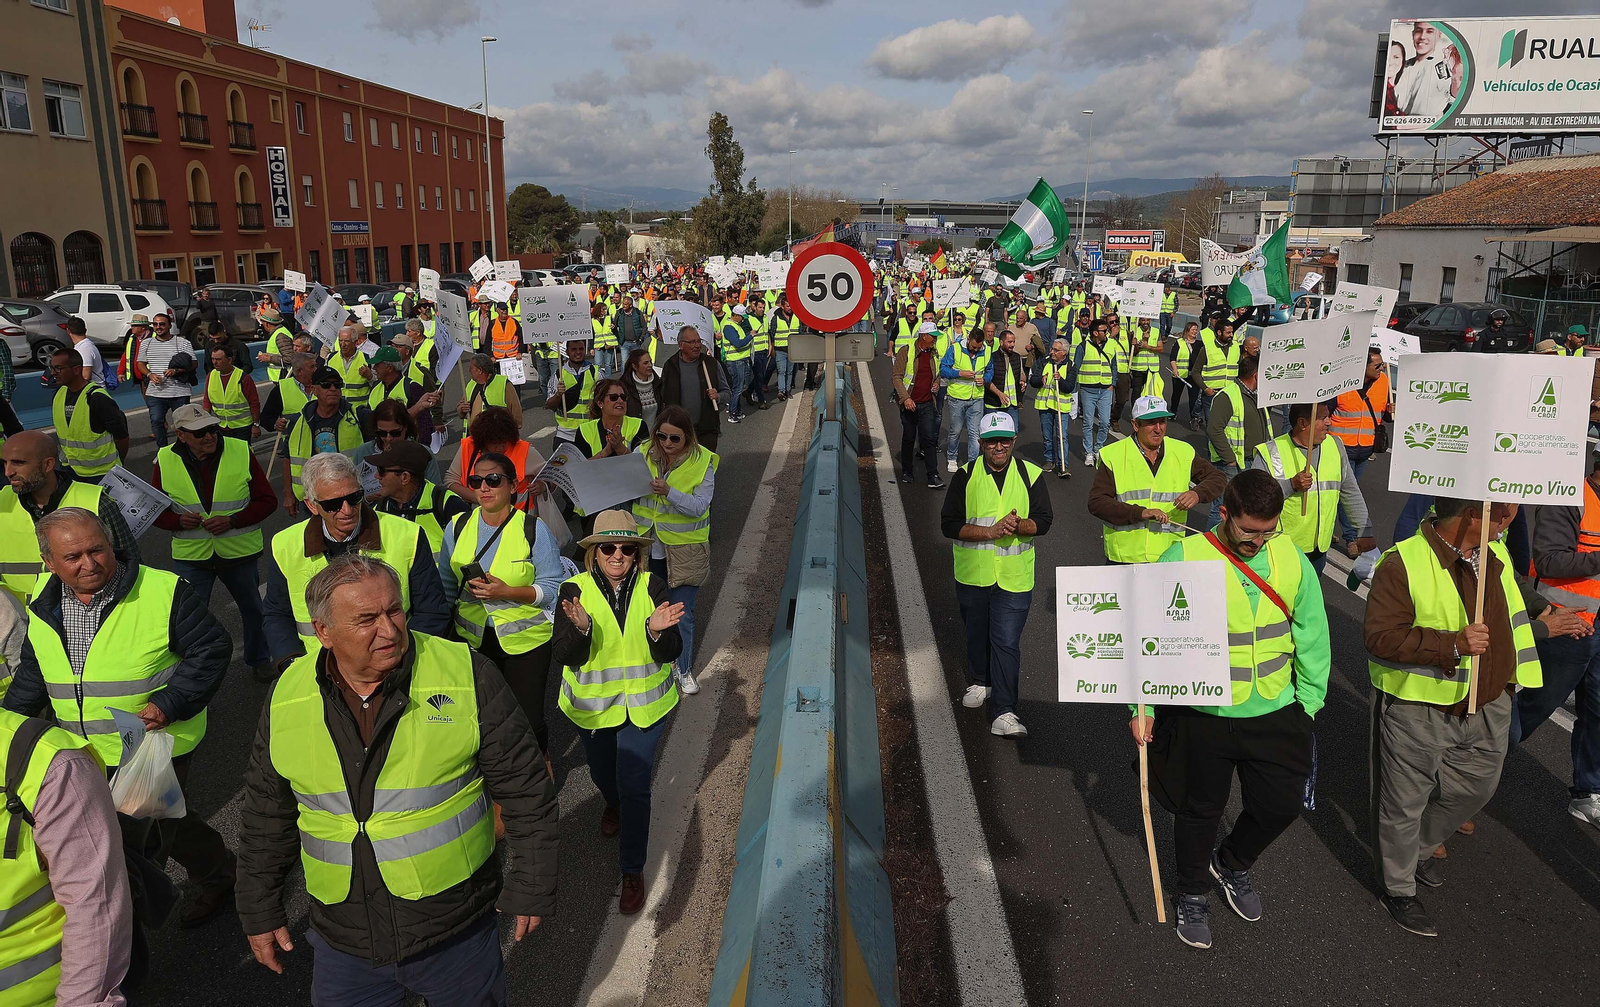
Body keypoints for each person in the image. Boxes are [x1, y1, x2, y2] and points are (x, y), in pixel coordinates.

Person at [237, 556, 557, 1001]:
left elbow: (526, 789)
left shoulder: (467, 673)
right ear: (324, 632)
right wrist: (258, 908)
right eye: (366, 619)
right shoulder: (287, 695)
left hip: (454, 933)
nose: (389, 631)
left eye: (394, 611)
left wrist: (533, 883)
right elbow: (265, 814)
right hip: (343, 943)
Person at [3, 508, 237, 927]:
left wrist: (172, 702)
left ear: (112, 545)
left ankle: (121, 943)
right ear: (49, 563)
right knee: (172, 823)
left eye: (97, 550)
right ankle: (221, 874)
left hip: (149, 746)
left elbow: (212, 648)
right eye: (73, 557)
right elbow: (33, 673)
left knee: (131, 851)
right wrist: (7, 727)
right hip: (81, 750)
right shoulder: (42, 601)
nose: (89, 564)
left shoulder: (163, 591)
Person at [1134, 469, 1330, 950]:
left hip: (1277, 709)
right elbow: (1148, 636)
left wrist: (1309, 703)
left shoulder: (1290, 557)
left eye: (1268, 531)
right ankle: (1193, 893)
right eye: (1248, 530)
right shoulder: (1184, 555)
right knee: (1200, 809)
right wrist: (1145, 707)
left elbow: (1312, 632)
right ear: (1225, 514)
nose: (1258, 541)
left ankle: (1233, 863)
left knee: (1281, 805)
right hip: (1205, 712)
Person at [1364, 497, 1542, 936]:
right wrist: (1453, 645)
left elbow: (1517, 592)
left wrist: (1545, 612)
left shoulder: (1493, 549)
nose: (1509, 523)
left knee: (1478, 784)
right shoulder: (1402, 562)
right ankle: (1399, 888)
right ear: (1471, 515)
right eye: (1501, 515)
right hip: (1420, 706)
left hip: (1489, 699)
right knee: (1402, 803)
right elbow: (1380, 637)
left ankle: (1419, 849)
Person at [552, 509, 683, 914]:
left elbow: (671, 652)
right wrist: (581, 630)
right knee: (604, 776)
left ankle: (632, 869)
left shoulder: (653, 585)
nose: (617, 555)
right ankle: (612, 801)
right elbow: (564, 655)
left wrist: (657, 631)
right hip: (594, 711)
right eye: (608, 547)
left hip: (644, 711)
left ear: (636, 553)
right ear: (594, 552)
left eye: (627, 548)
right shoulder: (572, 591)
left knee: (635, 787)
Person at [262, 452, 451, 670]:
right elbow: (277, 615)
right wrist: (291, 663)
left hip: (394, 667)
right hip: (319, 672)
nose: (347, 510)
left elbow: (432, 612)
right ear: (312, 506)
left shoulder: (408, 535)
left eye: (354, 498)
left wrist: (403, 662)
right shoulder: (285, 545)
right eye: (333, 504)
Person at [0, 705, 134, 1006]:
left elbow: (95, 906)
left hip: (139, 736)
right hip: (89, 739)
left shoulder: (45, 763)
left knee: (164, 826)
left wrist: (171, 703)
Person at [439, 451, 563, 766]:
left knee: (527, 718)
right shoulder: (456, 527)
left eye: (493, 479)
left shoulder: (533, 530)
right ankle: (500, 781)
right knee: (486, 717)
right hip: (474, 642)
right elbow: (445, 585)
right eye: (476, 480)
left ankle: (537, 768)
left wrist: (507, 591)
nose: (484, 487)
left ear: (512, 486)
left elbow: (552, 589)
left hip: (527, 643)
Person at [943, 412, 1052, 738]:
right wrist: (990, 532)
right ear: (981, 443)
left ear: (1014, 440)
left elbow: (1044, 521)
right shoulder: (965, 476)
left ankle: (1004, 711)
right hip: (973, 574)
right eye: (992, 441)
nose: (999, 446)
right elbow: (948, 524)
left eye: (1005, 440)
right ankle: (980, 681)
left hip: (1014, 578)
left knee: (1006, 642)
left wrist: (1021, 526)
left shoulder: (1030, 474)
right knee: (977, 633)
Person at [151, 404, 278, 682]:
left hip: (238, 553)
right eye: (200, 433)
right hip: (192, 556)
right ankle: (191, 671)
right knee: (187, 619)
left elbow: (268, 501)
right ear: (181, 435)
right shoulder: (164, 459)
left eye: (212, 429)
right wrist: (177, 522)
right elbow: (153, 511)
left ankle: (259, 659)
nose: (209, 436)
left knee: (253, 609)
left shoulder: (240, 450)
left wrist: (232, 521)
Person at [1521, 459, 1600, 830]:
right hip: (1567, 625)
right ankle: (1467, 774)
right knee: (1536, 705)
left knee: (1598, 714)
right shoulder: (1570, 498)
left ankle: (1587, 793)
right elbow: (1548, 560)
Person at [632, 406, 716, 697]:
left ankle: (683, 669)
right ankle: (654, 664)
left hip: (684, 551)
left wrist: (669, 492)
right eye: (661, 436)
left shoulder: (702, 460)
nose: (666, 444)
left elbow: (699, 506)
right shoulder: (642, 453)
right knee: (646, 610)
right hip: (644, 549)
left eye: (674, 439)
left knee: (682, 614)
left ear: (688, 439)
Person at [0, 430, 140, 603]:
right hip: (18, 622)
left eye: (18, 463)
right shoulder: (2, 504)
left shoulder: (98, 503)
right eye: (4, 463)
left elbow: (133, 566)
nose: (8, 472)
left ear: (48, 464)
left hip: (89, 618)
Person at [1090, 396, 1225, 564]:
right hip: (1125, 558)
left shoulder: (1182, 452)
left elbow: (1218, 478)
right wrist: (1141, 512)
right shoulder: (1113, 455)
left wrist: (1197, 494)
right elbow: (1097, 503)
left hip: (1169, 556)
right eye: (1151, 422)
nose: (1158, 429)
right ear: (1135, 424)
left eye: (1162, 422)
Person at [1250, 400, 1375, 572]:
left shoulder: (1335, 445)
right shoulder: (1271, 452)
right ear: (1302, 423)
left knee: (1310, 597)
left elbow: (1350, 492)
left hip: (1318, 550)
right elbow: (1254, 500)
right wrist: (1290, 485)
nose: (1329, 422)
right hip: (1281, 550)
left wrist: (1364, 531)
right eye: (1323, 418)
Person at [283, 366, 373, 515]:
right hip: (313, 497)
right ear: (314, 389)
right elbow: (288, 459)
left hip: (350, 494)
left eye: (337, 385)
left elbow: (388, 422)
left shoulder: (358, 415)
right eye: (326, 385)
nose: (333, 388)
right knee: (316, 537)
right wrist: (288, 494)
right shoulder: (298, 421)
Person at [1331, 348, 1391, 551]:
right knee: (1347, 493)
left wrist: (1391, 413)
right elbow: (1325, 412)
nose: (1381, 368)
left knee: (1344, 493)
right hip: (1341, 448)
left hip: (1365, 448)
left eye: (1382, 364)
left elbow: (1382, 411)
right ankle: (1350, 538)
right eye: (1377, 365)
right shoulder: (1342, 383)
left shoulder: (1384, 381)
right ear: (1362, 367)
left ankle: (1328, 528)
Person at [372, 438, 470, 556]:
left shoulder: (448, 504)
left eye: (381, 471)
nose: (376, 476)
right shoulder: (380, 508)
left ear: (404, 478)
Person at [1206, 351, 1268, 526]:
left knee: (1243, 507)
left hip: (1252, 461)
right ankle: (1211, 544)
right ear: (1256, 375)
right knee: (1222, 507)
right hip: (1232, 463)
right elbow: (1214, 429)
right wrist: (1230, 460)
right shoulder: (1227, 396)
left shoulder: (1256, 395)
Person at [49, 349, 128, 483]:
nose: (52, 373)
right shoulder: (59, 394)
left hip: (101, 474)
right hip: (69, 469)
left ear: (76, 370)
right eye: (52, 368)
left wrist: (118, 465)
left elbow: (122, 438)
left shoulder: (97, 398)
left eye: (58, 368)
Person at [892, 323, 945, 488]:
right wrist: (906, 398)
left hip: (928, 403)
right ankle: (907, 471)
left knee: (929, 440)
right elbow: (897, 377)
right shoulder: (906, 351)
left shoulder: (934, 354)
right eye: (933, 336)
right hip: (910, 404)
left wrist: (936, 383)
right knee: (909, 437)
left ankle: (933, 475)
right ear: (924, 336)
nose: (935, 340)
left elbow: (937, 373)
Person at [660, 327, 727, 452]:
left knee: (705, 468)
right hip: (679, 431)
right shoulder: (670, 366)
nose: (697, 345)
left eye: (699, 341)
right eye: (692, 342)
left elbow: (727, 393)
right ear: (681, 344)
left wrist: (718, 397)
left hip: (707, 430)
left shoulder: (711, 364)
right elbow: (662, 397)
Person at [136, 312, 196, 449]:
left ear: (169, 325)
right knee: (157, 421)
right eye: (155, 324)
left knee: (183, 423)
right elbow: (140, 364)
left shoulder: (182, 343)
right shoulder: (146, 343)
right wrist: (149, 374)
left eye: (162, 324)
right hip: (155, 392)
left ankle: (183, 449)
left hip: (179, 392)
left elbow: (193, 363)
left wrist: (176, 371)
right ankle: (162, 450)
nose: (158, 327)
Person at [941, 322, 993, 473]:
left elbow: (990, 371)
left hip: (976, 397)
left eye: (979, 347)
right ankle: (952, 457)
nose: (976, 350)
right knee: (955, 430)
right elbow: (943, 369)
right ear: (968, 339)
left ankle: (973, 463)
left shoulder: (987, 351)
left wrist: (985, 380)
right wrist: (959, 373)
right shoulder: (955, 349)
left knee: (975, 433)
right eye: (974, 347)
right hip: (957, 397)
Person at [1076, 319, 1123, 467]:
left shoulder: (1111, 344)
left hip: (1105, 390)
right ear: (1096, 333)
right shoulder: (1083, 346)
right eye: (1104, 331)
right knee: (1088, 423)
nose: (1107, 333)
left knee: (1104, 422)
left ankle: (1099, 447)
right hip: (1087, 390)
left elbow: (1114, 366)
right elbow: (1075, 367)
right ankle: (1089, 451)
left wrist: (1112, 384)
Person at [1032, 337, 1075, 477]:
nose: (1052, 352)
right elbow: (1033, 379)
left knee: (1062, 437)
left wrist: (1060, 381)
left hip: (1061, 406)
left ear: (1064, 352)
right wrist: (1040, 379)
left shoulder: (1070, 365)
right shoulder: (1044, 361)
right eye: (1052, 349)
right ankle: (1049, 460)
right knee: (1047, 435)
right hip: (1045, 405)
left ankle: (1063, 464)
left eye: (1056, 350)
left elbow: (1070, 387)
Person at [576, 378, 649, 461]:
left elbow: (643, 463)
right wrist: (606, 452)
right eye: (613, 397)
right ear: (600, 403)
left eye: (623, 397)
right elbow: (580, 468)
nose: (620, 400)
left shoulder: (638, 425)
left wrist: (620, 448)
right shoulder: (585, 430)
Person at [203, 344, 260, 441]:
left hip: (242, 427)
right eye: (213, 359)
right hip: (220, 426)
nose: (214, 362)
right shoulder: (211, 376)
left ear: (229, 360)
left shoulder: (243, 377)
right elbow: (207, 401)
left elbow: (254, 403)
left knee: (242, 453)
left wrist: (255, 424)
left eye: (218, 359)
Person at [545, 340, 599, 445]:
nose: (578, 352)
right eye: (574, 349)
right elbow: (549, 404)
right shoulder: (558, 375)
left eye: (581, 349)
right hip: (565, 433)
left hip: (590, 431)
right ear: (567, 352)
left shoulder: (596, 373)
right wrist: (558, 395)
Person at [259, 351, 317, 435]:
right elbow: (265, 417)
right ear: (300, 371)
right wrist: (275, 423)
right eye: (312, 367)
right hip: (294, 444)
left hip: (323, 443)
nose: (316, 369)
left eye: (316, 366)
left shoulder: (324, 385)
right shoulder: (281, 389)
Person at [460, 352, 523, 430]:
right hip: (475, 438)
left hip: (497, 437)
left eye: (471, 368)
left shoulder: (503, 383)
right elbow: (461, 406)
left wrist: (515, 427)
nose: (469, 371)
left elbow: (515, 408)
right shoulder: (471, 384)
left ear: (480, 370)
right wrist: (461, 409)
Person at [720, 304, 754, 425]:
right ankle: (732, 412)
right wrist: (750, 336)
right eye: (742, 317)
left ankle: (737, 411)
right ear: (736, 315)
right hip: (735, 361)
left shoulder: (736, 325)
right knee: (737, 388)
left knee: (739, 387)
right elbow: (738, 343)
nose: (743, 319)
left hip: (740, 359)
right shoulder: (729, 327)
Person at [327, 325, 374, 408]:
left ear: (355, 342)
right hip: (337, 411)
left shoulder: (367, 359)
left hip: (360, 412)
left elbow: (378, 386)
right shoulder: (330, 358)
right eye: (340, 341)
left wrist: (370, 377)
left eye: (346, 341)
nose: (343, 344)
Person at [987, 328, 1025, 427]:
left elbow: (1022, 374)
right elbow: (986, 381)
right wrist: (999, 394)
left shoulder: (1017, 356)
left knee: (1013, 432)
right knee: (993, 435)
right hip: (994, 404)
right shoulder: (992, 357)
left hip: (1012, 404)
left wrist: (1022, 381)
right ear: (1001, 342)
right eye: (1009, 342)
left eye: (1013, 342)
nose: (1012, 344)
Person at [625, 347, 663, 430]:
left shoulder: (658, 383)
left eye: (650, 362)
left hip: (655, 436)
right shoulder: (624, 387)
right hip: (634, 436)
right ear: (635, 366)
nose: (650, 365)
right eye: (645, 363)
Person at [64, 317, 106, 388]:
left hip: (94, 392)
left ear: (68, 331)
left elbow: (86, 376)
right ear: (85, 330)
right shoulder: (83, 346)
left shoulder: (85, 348)